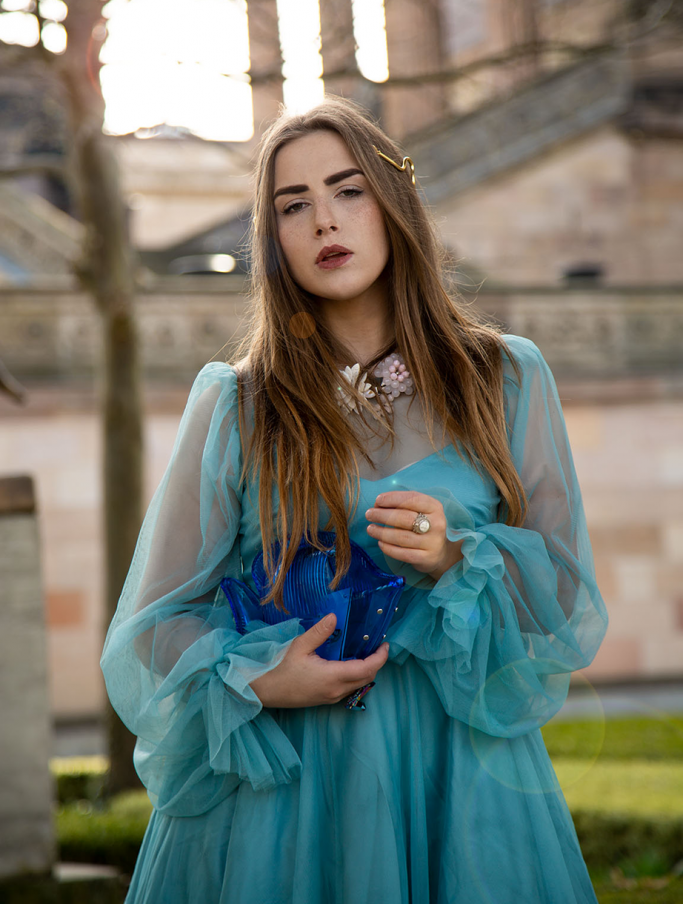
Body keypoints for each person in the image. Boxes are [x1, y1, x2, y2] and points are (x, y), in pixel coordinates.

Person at [101, 97, 608, 904]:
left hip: (462, 779)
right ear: (273, 240)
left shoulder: (504, 378)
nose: (322, 221)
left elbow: (564, 601)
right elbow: (152, 627)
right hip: (286, 794)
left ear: (393, 202)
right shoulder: (238, 403)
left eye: (347, 191)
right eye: (292, 205)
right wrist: (261, 679)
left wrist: (455, 560)